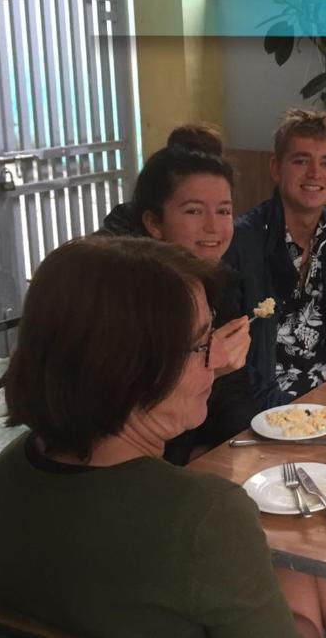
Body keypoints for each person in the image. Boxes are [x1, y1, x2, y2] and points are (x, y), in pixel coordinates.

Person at [0, 236, 326, 637]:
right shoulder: (203, 515)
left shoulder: (6, 477)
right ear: (131, 369)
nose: (217, 360)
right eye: (203, 344)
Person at [100, 123, 255, 466]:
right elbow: (118, 422)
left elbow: (235, 393)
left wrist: (221, 450)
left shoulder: (219, 281)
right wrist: (208, 368)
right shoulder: (121, 299)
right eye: (194, 211)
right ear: (154, 223)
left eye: (224, 210)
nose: (214, 227)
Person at [224, 108, 326, 410]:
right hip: (263, 402)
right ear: (276, 168)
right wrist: (276, 412)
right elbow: (234, 359)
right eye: (301, 161)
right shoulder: (241, 242)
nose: (315, 174)